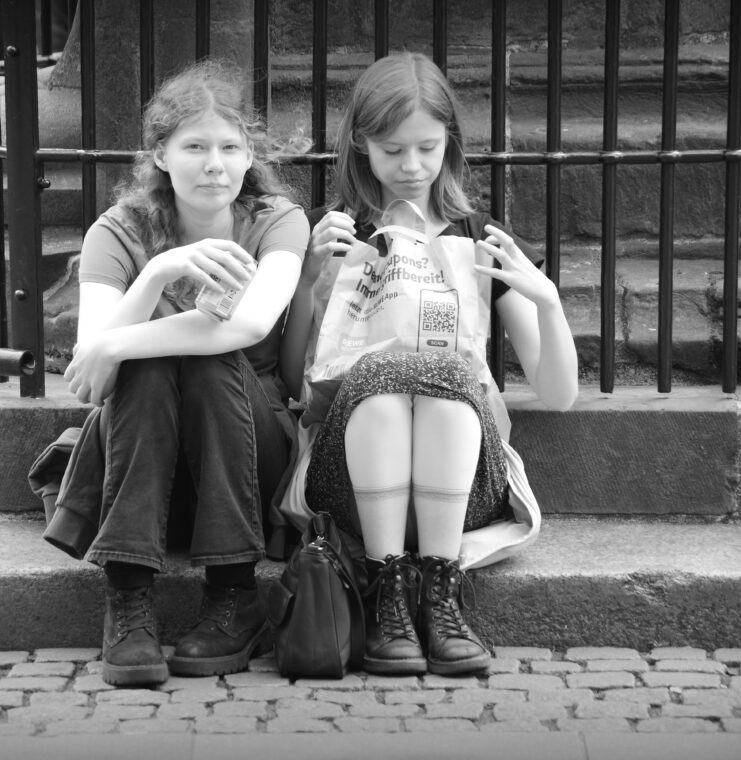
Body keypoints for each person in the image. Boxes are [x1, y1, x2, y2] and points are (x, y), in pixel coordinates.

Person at [280, 52, 578, 677]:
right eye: (392, 150)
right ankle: (391, 594)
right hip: (351, 487)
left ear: (450, 142)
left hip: (465, 490)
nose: (411, 167)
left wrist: (546, 301)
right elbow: (289, 381)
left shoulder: (479, 238)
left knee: (444, 375)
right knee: (380, 378)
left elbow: (559, 394)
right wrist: (311, 282)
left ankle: (437, 595)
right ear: (361, 146)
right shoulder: (333, 234)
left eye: (427, 147)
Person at [47, 59, 308, 687]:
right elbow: (94, 382)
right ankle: (129, 597)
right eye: (193, 146)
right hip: (143, 467)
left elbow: (247, 327)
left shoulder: (277, 220)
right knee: (145, 362)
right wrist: (159, 274)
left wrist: (119, 343)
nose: (213, 163)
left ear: (250, 157)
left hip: (247, 465)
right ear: (160, 155)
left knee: (204, 350)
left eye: (229, 147)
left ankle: (233, 593)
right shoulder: (118, 231)